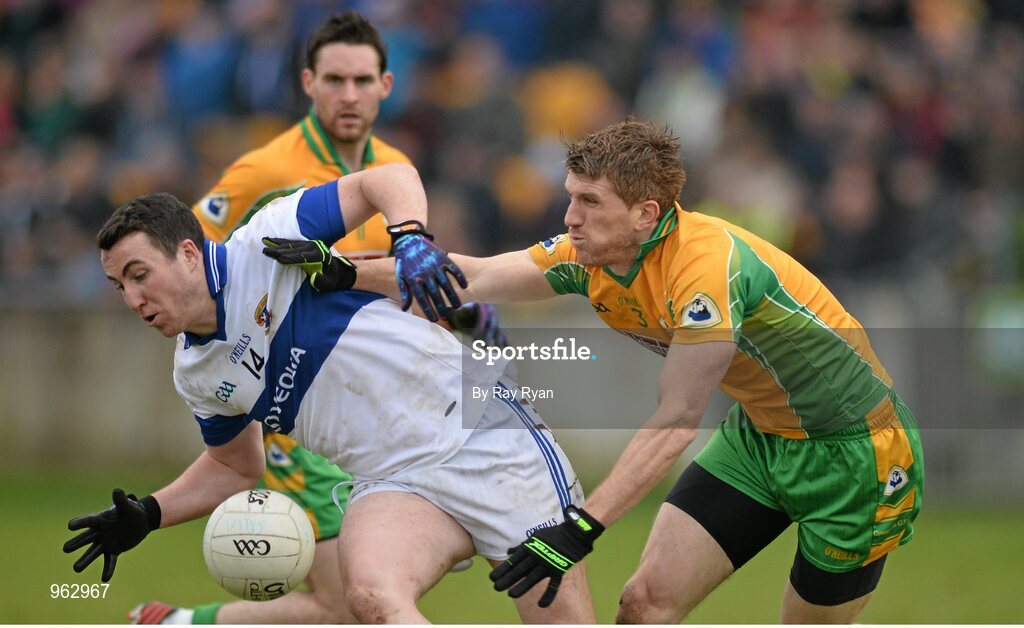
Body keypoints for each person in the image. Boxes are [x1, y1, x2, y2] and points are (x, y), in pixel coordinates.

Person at [335, 118, 924, 623]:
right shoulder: (594, 255)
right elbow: (476, 275)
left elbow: (678, 418)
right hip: (759, 439)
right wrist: (342, 270)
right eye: (571, 197)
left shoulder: (705, 269)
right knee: (642, 606)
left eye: (589, 203)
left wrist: (579, 527)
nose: (569, 217)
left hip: (855, 457)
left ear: (645, 213)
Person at [64, 163, 594, 624]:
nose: (133, 299)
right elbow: (234, 466)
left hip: (482, 435)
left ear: (186, 253)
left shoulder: (266, 242)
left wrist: (409, 239)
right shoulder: (196, 373)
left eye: (140, 275)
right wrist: (150, 513)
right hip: (395, 481)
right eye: (121, 286)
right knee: (370, 597)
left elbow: (388, 178)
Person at [131, 11, 502, 624]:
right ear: (308, 82)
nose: (348, 95)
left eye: (362, 80)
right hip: (296, 418)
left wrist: (453, 319)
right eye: (334, 79)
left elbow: (405, 275)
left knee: (353, 603)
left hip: (379, 402)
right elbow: (185, 262)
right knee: (357, 602)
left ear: (387, 84)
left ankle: (176, 623)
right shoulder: (265, 172)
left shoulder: (393, 168)